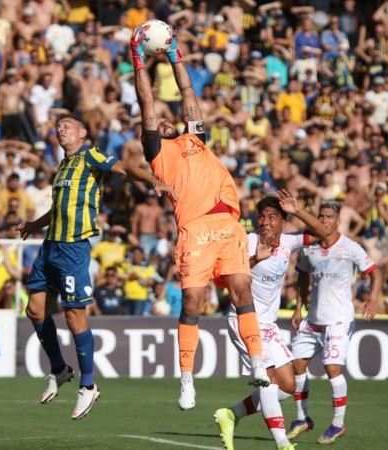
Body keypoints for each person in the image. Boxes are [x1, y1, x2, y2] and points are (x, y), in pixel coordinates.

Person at [130, 26, 269, 411]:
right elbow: (147, 101)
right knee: (193, 303)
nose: (165, 122)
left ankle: (257, 363)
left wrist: (175, 55)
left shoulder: (195, 139)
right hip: (196, 232)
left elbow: (189, 95)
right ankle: (187, 381)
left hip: (229, 226)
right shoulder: (157, 152)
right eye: (158, 124)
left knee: (242, 293)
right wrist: (138, 59)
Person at [18, 114, 174, 420]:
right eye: (58, 126)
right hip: (51, 245)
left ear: (82, 133)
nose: (60, 129)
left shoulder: (89, 154)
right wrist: (35, 225)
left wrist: (152, 180)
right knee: (35, 310)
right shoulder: (63, 167)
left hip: (74, 247)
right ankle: (60, 368)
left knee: (75, 317)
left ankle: (88, 385)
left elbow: (125, 168)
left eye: (67, 125)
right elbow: (58, 208)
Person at [214, 193, 330, 450]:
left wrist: (298, 210)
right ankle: (282, 443)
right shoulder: (247, 241)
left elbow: (324, 233)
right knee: (266, 379)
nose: (265, 222)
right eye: (262, 217)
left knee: (288, 386)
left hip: (269, 325)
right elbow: (223, 277)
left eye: (272, 217)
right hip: (244, 319)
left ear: (283, 222)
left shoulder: (289, 242)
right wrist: (256, 259)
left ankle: (231, 414)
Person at [284, 201, 382, 445]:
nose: (324, 220)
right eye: (321, 216)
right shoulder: (309, 249)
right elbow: (303, 276)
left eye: (329, 217)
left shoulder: (350, 247)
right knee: (296, 366)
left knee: (332, 369)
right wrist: (298, 308)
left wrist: (372, 298)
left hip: (339, 320)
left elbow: (375, 272)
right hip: (313, 319)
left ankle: (338, 424)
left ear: (338, 221)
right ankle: (301, 418)